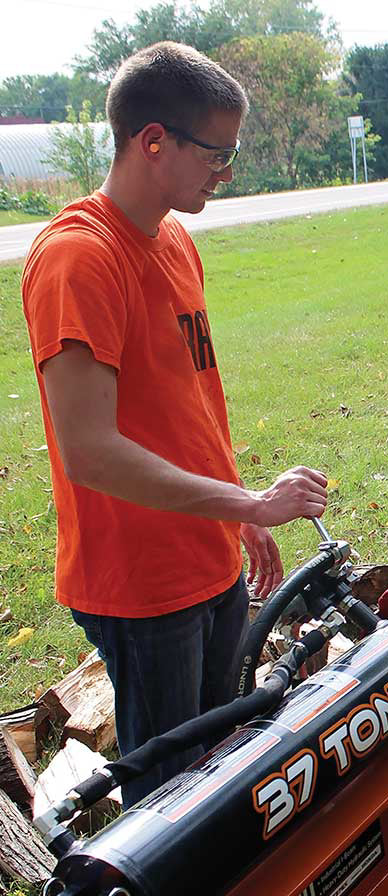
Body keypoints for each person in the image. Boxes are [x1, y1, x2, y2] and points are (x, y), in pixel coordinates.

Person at [21, 42, 327, 807]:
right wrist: (246, 504)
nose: (226, 175)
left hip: (205, 550)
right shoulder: (78, 259)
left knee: (219, 761)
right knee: (168, 801)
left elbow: (182, 403)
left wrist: (234, 508)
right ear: (153, 141)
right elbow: (90, 453)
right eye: (216, 156)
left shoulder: (174, 239)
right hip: (142, 580)